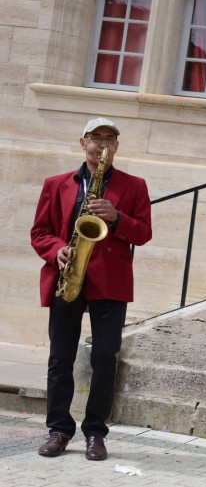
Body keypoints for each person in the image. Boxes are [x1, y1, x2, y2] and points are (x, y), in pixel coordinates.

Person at [30, 117, 153, 461]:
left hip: (109, 282)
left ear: (116, 146)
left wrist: (115, 218)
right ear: (82, 142)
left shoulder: (134, 185)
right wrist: (58, 251)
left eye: (109, 139)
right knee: (60, 358)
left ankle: (95, 433)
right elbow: (39, 232)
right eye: (96, 138)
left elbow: (143, 233)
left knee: (104, 357)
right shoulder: (56, 184)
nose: (102, 144)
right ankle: (59, 429)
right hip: (68, 276)